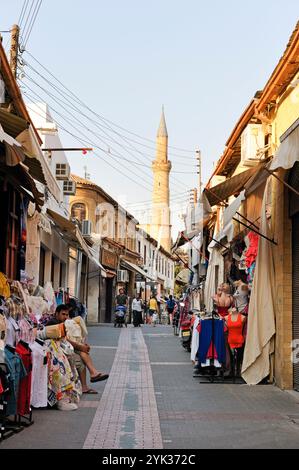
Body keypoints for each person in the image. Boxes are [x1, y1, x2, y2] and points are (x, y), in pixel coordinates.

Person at [47, 305, 109, 394]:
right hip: (56, 351)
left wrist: (81, 345)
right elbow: (65, 340)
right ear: (57, 314)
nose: (65, 317)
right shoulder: (54, 323)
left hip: (63, 347)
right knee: (79, 359)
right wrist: (80, 346)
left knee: (82, 352)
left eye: (66, 315)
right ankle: (91, 376)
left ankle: (92, 374)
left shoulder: (62, 323)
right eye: (63, 314)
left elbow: (66, 339)